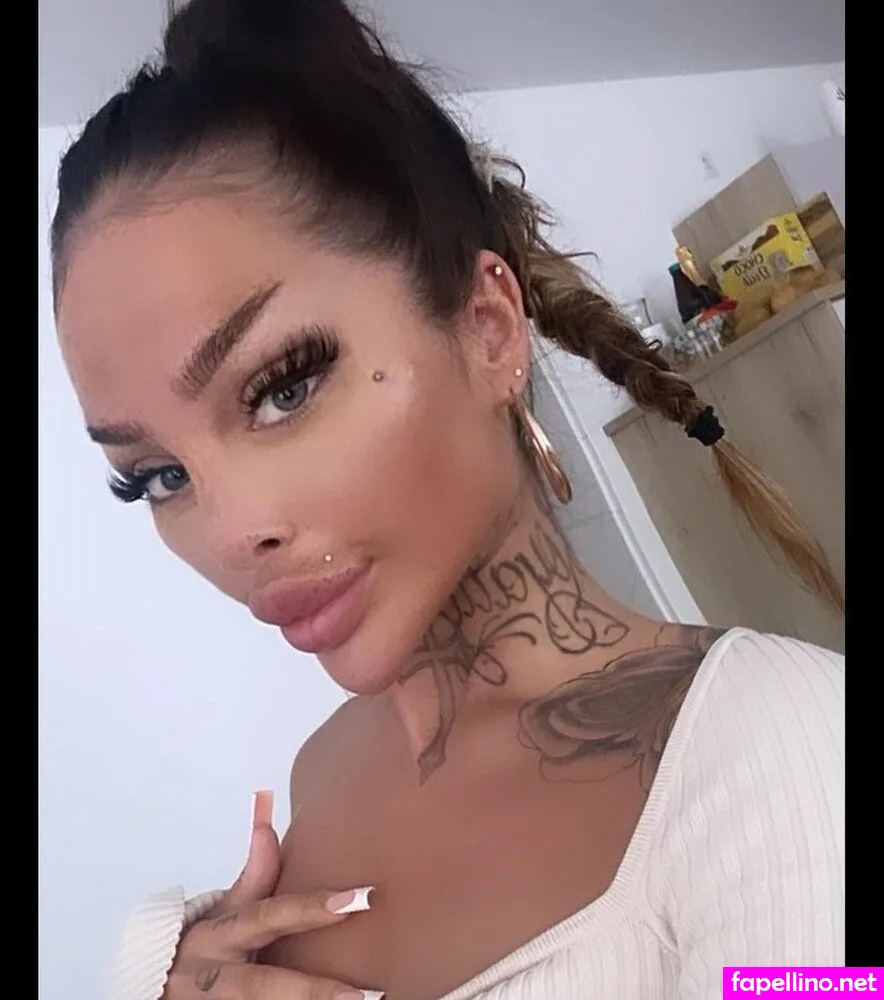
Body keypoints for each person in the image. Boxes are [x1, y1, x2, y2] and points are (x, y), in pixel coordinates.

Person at [49, 0, 845, 998]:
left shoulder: (791, 747)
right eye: (158, 476)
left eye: (281, 388)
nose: (232, 532)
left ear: (487, 330)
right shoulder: (321, 770)